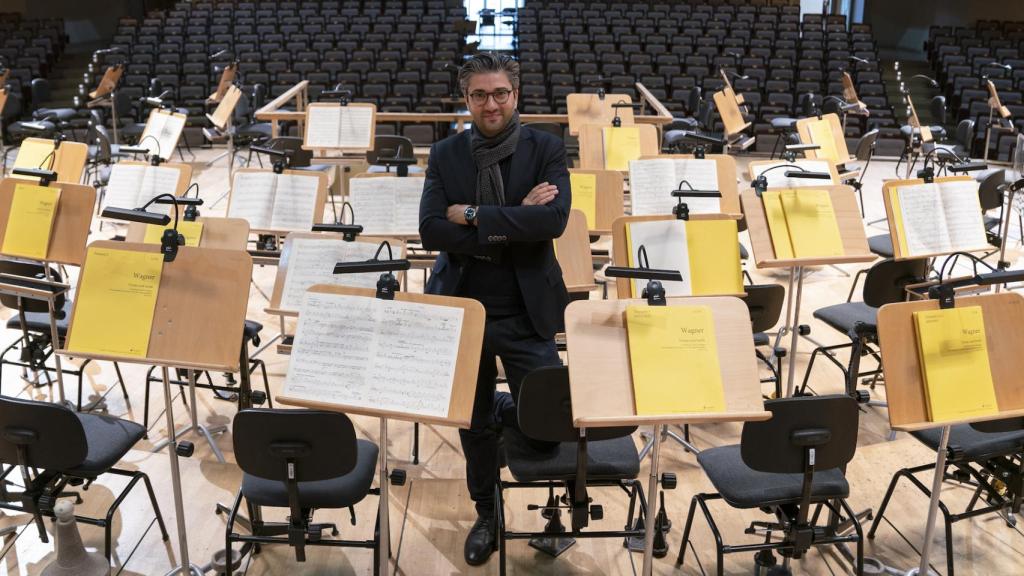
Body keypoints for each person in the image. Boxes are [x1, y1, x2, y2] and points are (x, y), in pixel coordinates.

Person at [419, 52, 571, 566]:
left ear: (515, 95)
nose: (491, 104)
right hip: (464, 310)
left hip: (527, 310)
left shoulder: (546, 147)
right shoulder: (446, 154)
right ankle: (487, 513)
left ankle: (511, 415)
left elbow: (552, 221)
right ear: (466, 99)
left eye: (500, 93)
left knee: (546, 425)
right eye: (480, 95)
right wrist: (511, 222)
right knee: (474, 422)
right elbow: (431, 230)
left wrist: (474, 216)